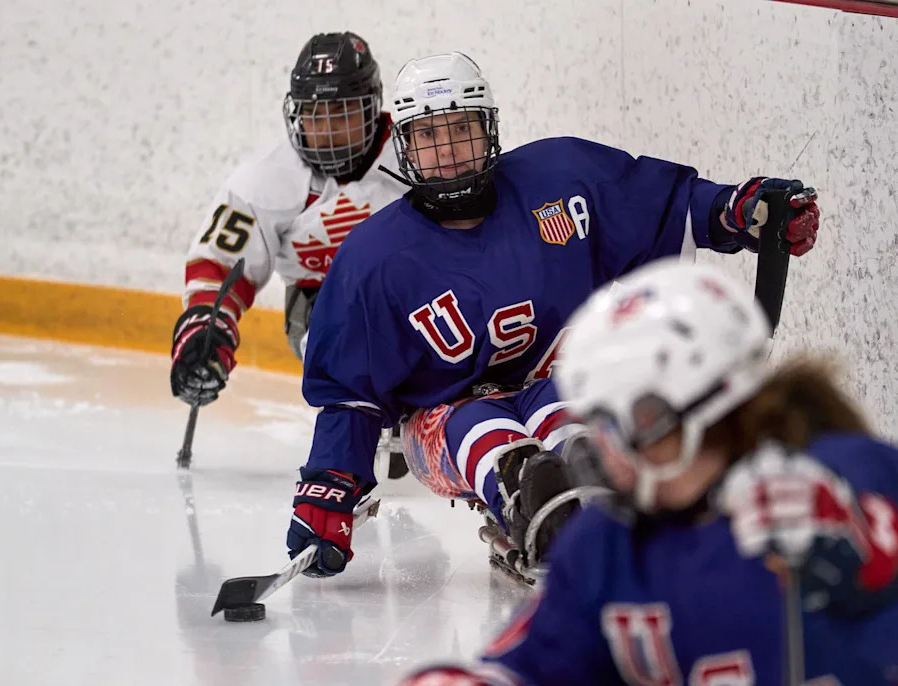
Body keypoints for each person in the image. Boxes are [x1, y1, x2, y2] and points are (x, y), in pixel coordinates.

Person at [286, 51, 822, 580]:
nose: (446, 150)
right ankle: (526, 496)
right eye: (428, 136)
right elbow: (349, 394)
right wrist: (330, 487)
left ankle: (591, 494)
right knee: (486, 430)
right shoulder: (372, 260)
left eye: (461, 129)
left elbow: (661, 206)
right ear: (404, 145)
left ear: (490, 129)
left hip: (557, 382)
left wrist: (737, 210)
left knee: (573, 427)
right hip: (442, 420)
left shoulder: (562, 181)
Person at [398, 259, 898, 685]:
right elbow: (534, 665)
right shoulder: (604, 543)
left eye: (631, 422)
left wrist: (864, 551)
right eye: (600, 422)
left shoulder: (844, 475)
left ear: (713, 406)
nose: (608, 453)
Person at [168, 31, 409, 474]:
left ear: (373, 108)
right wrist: (207, 333)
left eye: (342, 112)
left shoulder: (416, 155)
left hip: (421, 298)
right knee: (336, 334)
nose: (327, 129)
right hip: (321, 303)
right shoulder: (265, 180)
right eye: (315, 114)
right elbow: (220, 264)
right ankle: (365, 417)